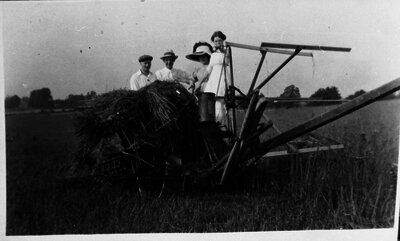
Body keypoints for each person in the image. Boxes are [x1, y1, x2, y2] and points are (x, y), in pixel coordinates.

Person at [204, 31, 229, 123]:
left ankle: (221, 123)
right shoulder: (212, 55)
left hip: (222, 77)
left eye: (219, 40)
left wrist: (223, 50)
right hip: (213, 80)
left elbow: (227, 61)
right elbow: (208, 70)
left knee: (220, 102)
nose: (218, 42)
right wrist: (201, 82)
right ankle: (213, 123)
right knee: (211, 102)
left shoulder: (226, 53)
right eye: (216, 41)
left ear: (222, 41)